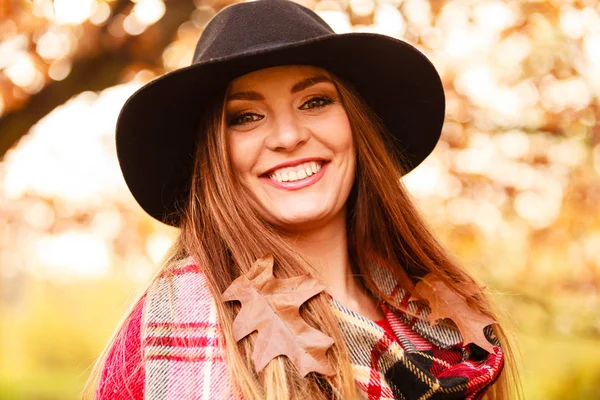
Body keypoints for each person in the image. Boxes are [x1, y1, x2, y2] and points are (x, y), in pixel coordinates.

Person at [85, 0, 520, 398]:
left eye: (314, 101)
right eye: (246, 117)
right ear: (215, 155)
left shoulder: (447, 323)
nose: (289, 136)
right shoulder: (175, 324)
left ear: (356, 127)